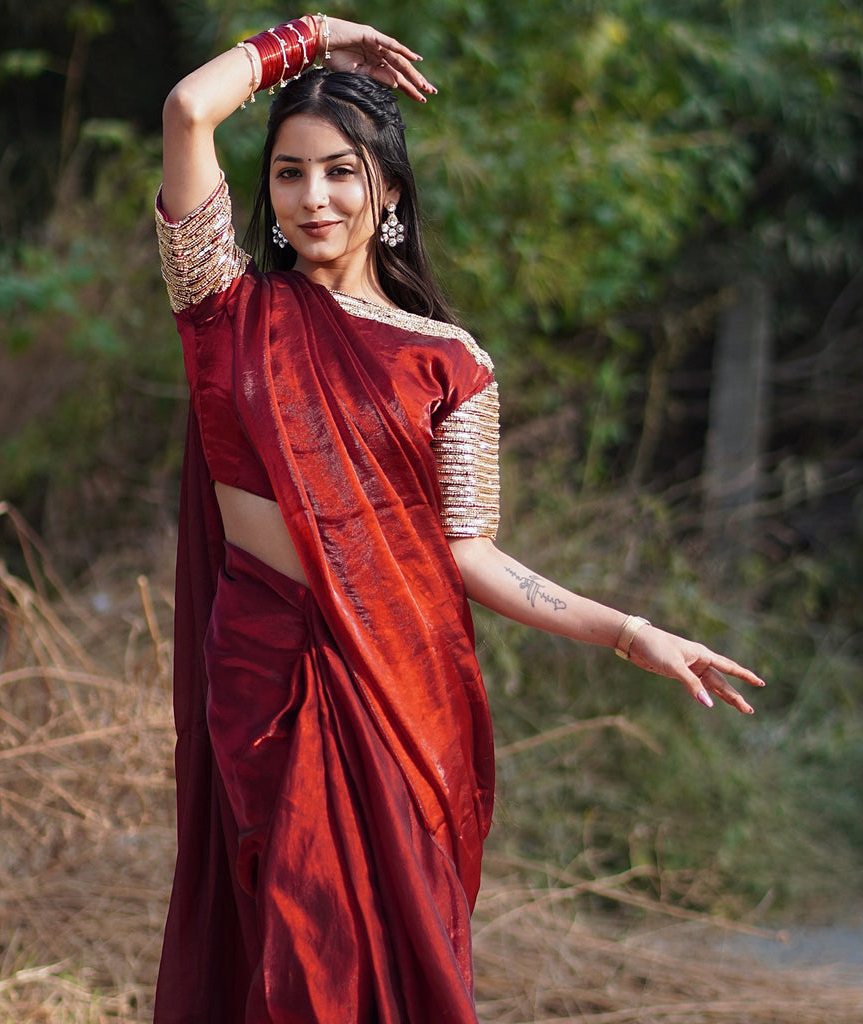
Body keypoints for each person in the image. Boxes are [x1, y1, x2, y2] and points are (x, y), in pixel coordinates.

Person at [152, 14, 765, 1023]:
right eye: (290, 174)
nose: (313, 198)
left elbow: (467, 555)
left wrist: (628, 631)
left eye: (342, 171)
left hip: (402, 688)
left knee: (381, 962)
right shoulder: (225, 308)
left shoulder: (450, 362)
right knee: (298, 954)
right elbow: (188, 108)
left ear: (388, 189)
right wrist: (313, 37)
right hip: (270, 682)